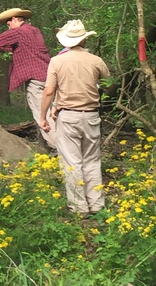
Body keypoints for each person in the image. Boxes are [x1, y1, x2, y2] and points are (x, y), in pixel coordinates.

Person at [40, 20, 110, 217]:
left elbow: (48, 91)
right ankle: (96, 204)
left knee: (72, 162)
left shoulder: (57, 61)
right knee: (92, 160)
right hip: (92, 116)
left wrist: (43, 115)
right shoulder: (96, 61)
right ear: (84, 40)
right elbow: (107, 81)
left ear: (66, 42)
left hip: (68, 116)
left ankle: (79, 207)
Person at [0, 7, 56, 152]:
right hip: (48, 77)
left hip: (36, 81)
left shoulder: (19, 32)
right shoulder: (33, 31)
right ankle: (45, 149)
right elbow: (19, 48)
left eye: (9, 22)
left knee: (43, 117)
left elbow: (0, 39)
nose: (8, 25)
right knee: (47, 115)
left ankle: (60, 150)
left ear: (15, 19)